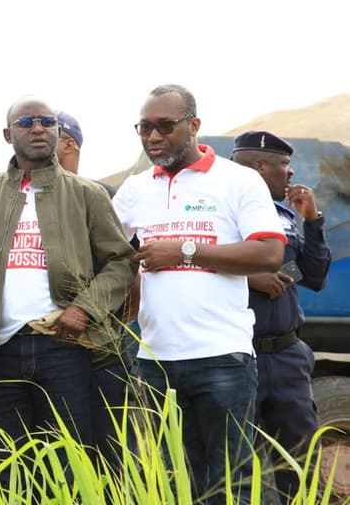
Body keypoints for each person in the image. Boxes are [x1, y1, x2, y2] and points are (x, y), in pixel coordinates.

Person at [112, 84, 286, 504]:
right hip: (154, 361)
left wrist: (186, 251)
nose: (153, 137)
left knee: (230, 480)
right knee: (166, 482)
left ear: (194, 125)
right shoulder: (135, 189)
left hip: (222, 357)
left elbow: (270, 252)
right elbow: (109, 253)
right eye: (145, 128)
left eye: (165, 127)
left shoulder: (237, 180)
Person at [0, 96, 135, 487]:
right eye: (26, 122)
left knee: (68, 464)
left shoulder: (87, 194)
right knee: (4, 466)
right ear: (8, 134)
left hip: (65, 347)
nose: (37, 128)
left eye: (46, 122)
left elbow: (122, 261)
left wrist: (84, 309)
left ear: (57, 131)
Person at [232, 130, 331, 501]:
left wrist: (313, 222)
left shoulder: (282, 217)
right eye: (283, 166)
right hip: (239, 355)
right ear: (259, 167)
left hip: (288, 356)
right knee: (237, 465)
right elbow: (192, 265)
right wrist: (247, 274)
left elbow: (315, 278)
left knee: (301, 463)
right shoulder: (217, 211)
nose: (289, 175)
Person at [55, 109, 133, 469]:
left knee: (107, 454)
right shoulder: (24, 200)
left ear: (68, 143)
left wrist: (108, 328)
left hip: (100, 351)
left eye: (47, 132)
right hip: (51, 351)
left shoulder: (101, 195)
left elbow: (128, 269)